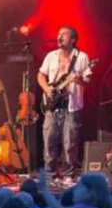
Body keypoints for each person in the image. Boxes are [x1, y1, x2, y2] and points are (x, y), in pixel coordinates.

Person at [37, 26, 93, 178]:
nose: (59, 37)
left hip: (71, 106)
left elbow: (88, 81)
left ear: (73, 39)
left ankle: (68, 175)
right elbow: (41, 75)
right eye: (58, 34)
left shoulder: (82, 57)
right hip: (52, 105)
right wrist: (47, 89)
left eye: (63, 35)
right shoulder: (51, 56)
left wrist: (79, 80)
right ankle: (49, 174)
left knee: (70, 143)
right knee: (49, 141)